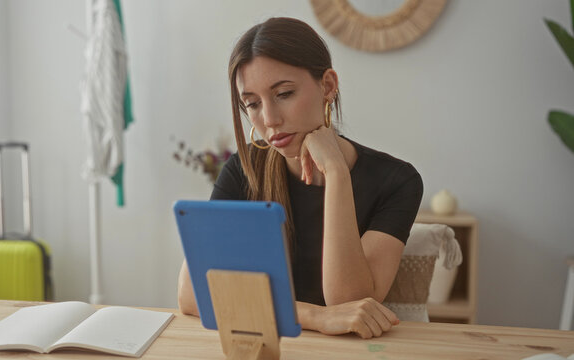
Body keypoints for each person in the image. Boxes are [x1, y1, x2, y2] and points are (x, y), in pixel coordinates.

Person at [177, 17, 423, 339]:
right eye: (252, 103)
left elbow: (349, 303)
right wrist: (315, 317)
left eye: (284, 94)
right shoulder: (244, 170)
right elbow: (192, 295)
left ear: (328, 86)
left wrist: (335, 173)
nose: (269, 119)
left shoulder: (397, 181)